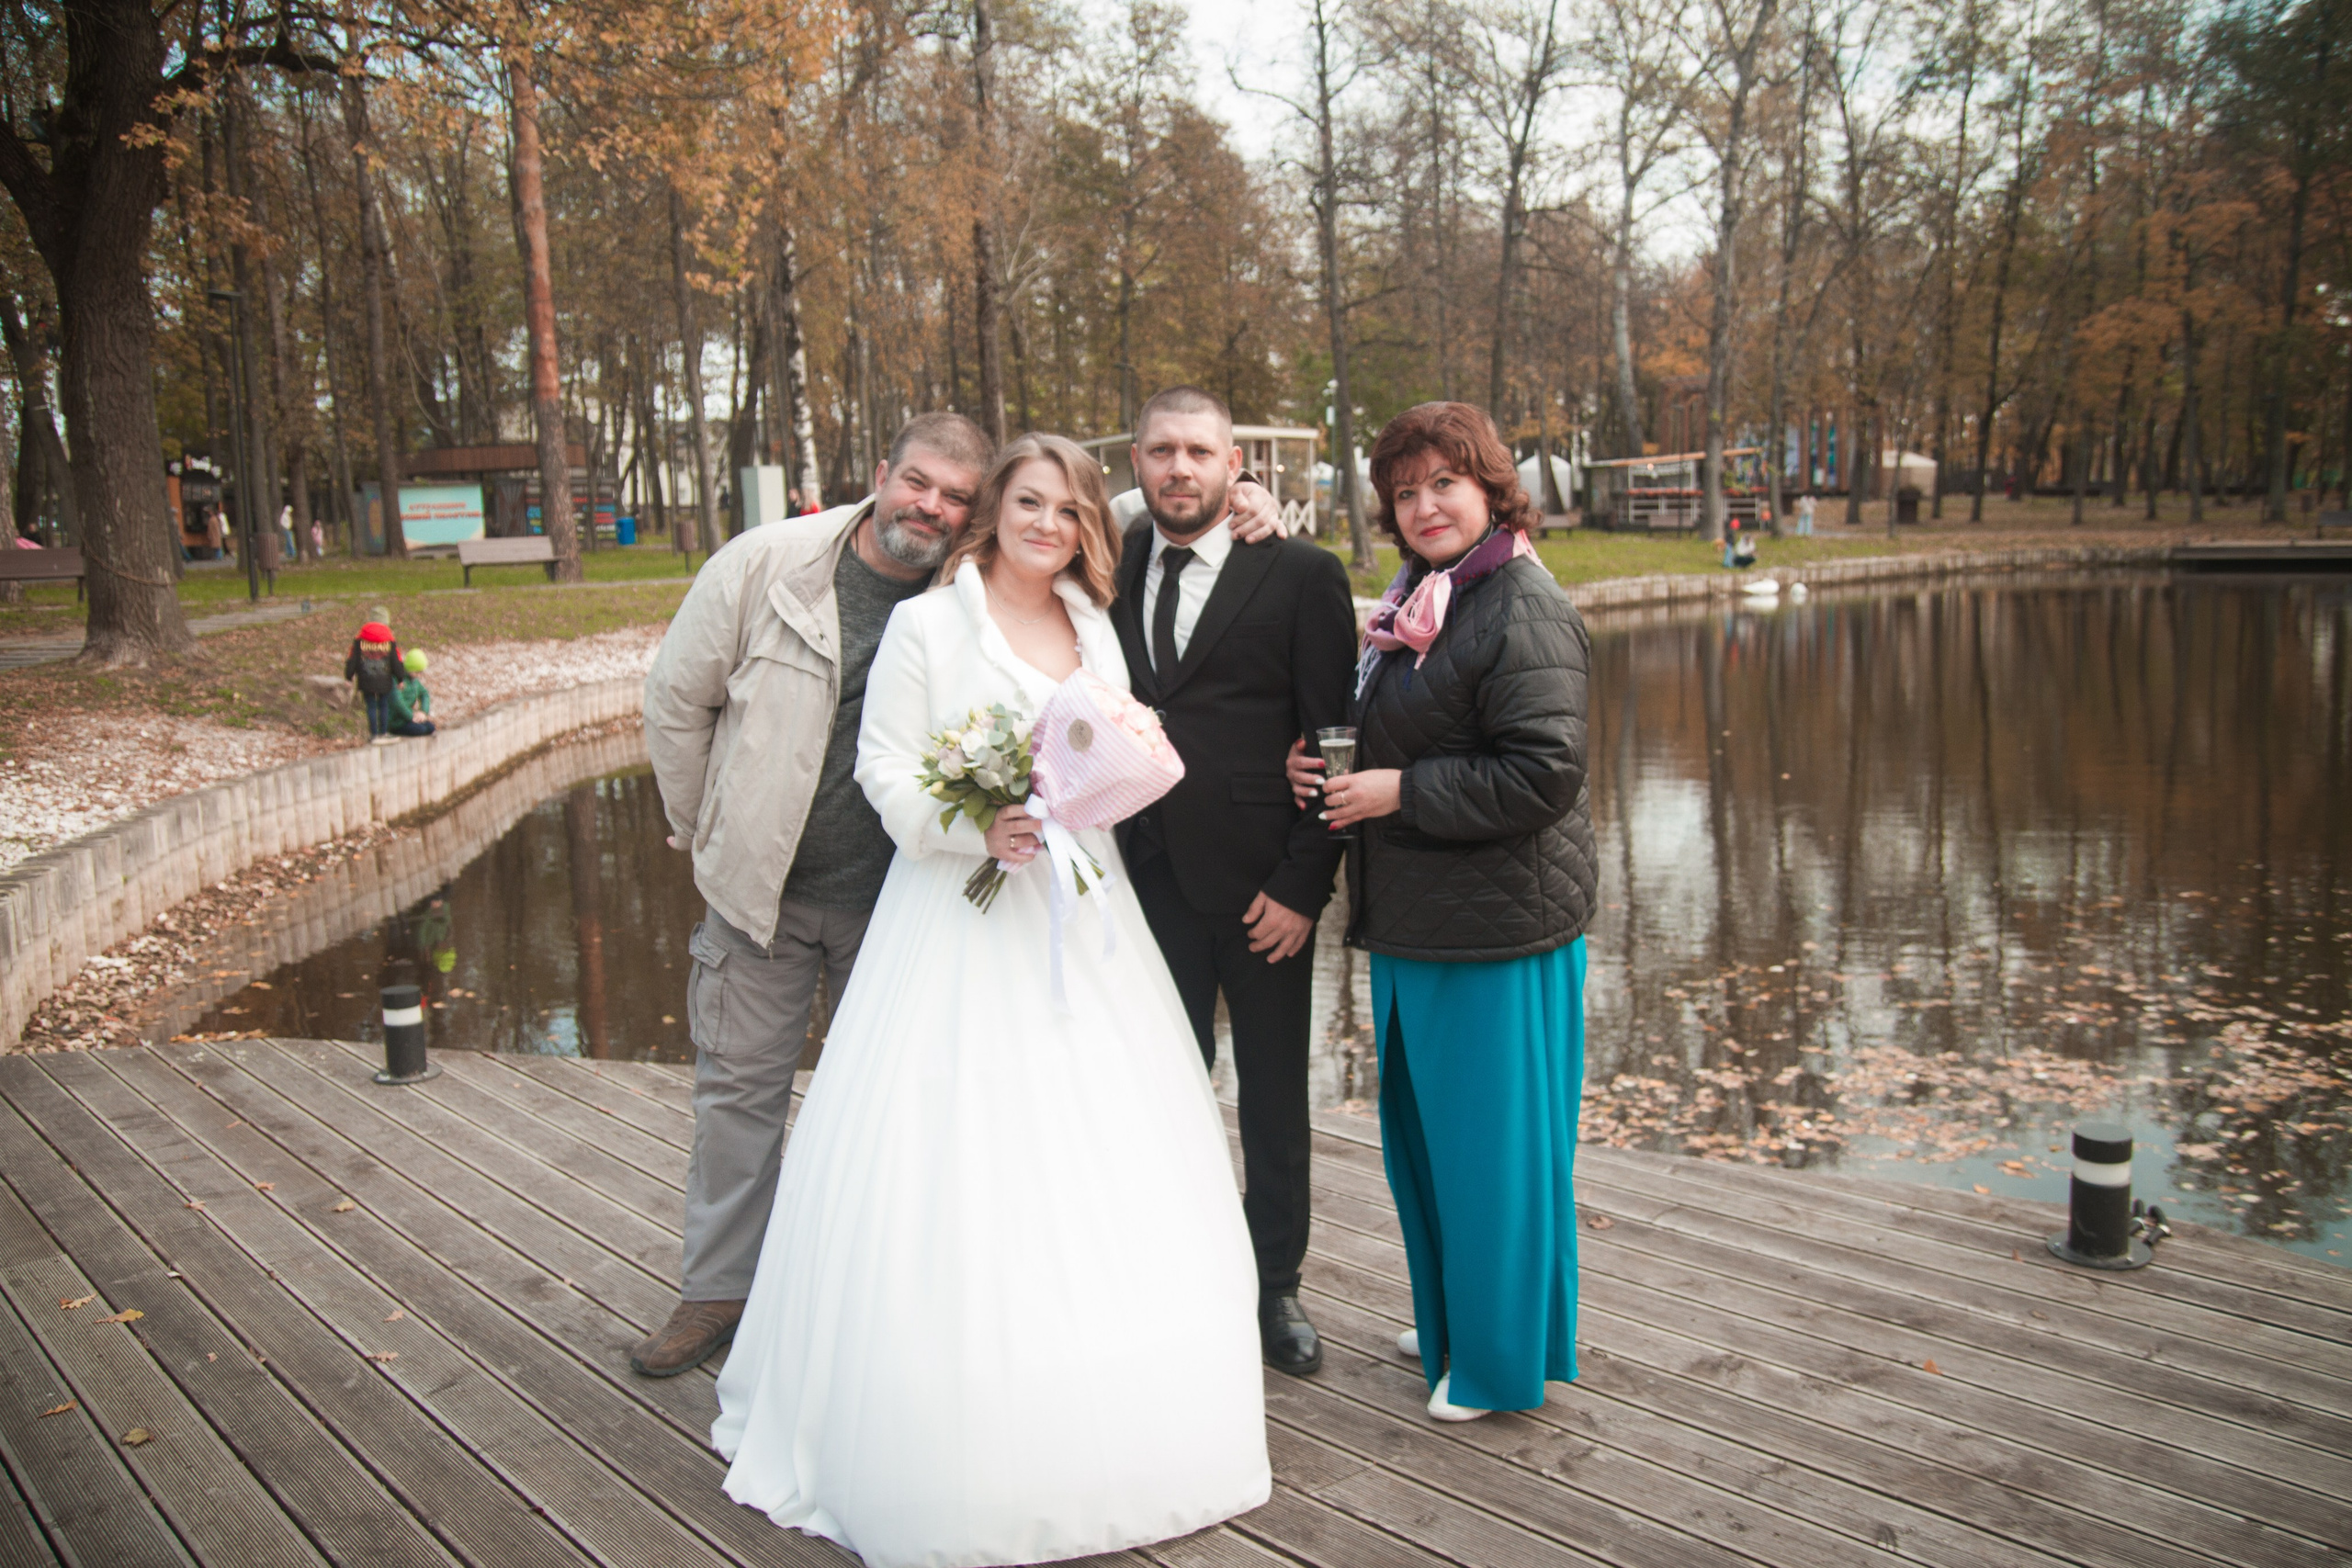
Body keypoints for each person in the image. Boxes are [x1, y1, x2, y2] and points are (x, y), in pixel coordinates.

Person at [713, 434, 1270, 1565]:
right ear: (993, 512)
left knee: (1104, 1151)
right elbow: (884, 768)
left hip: (1083, 913)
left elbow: (1110, 756)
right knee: (957, 1157)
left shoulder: (1093, 625)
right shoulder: (929, 624)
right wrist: (977, 821)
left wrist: (1107, 780)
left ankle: (1112, 1404)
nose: (1047, 524)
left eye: (1068, 510)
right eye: (1027, 502)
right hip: (960, 919)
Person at [1289, 400, 1595, 1423]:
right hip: (1424, 916)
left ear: (1490, 489)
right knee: (1429, 1142)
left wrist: (1397, 792)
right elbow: (1395, 732)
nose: (1423, 507)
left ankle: (1499, 1367)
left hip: (1494, 932)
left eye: (1444, 486)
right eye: (1404, 492)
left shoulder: (1519, 602)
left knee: (1492, 1156)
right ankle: (1464, 1318)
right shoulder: (1423, 595)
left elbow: (1542, 773)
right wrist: (1326, 769)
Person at [1106, 386, 1356, 1376]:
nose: (1179, 468)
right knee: (1156, 1089)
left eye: (1198, 451)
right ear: (1136, 464)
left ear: (1233, 462)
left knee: (1270, 1098)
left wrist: (1305, 885)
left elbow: (1336, 742)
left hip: (1264, 893)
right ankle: (1170, 1269)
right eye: (1161, 450)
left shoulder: (1299, 574)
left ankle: (1274, 1287)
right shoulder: (1107, 565)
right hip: (1141, 884)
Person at [345, 617, 404, 743]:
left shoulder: (360, 640)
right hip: (384, 680)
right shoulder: (388, 640)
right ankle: (383, 733)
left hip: (366, 680)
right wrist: (400, 678)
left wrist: (349, 677)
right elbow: (395, 660)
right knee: (383, 705)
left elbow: (353, 658)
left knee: (371, 706)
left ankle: (374, 735)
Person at [389, 649, 435, 738]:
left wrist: (423, 712)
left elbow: (424, 694)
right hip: (397, 721)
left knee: (430, 727)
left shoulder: (415, 681)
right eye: (417, 672)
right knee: (420, 729)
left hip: (409, 717)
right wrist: (411, 716)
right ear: (410, 669)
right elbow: (398, 703)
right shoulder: (397, 680)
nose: (419, 675)